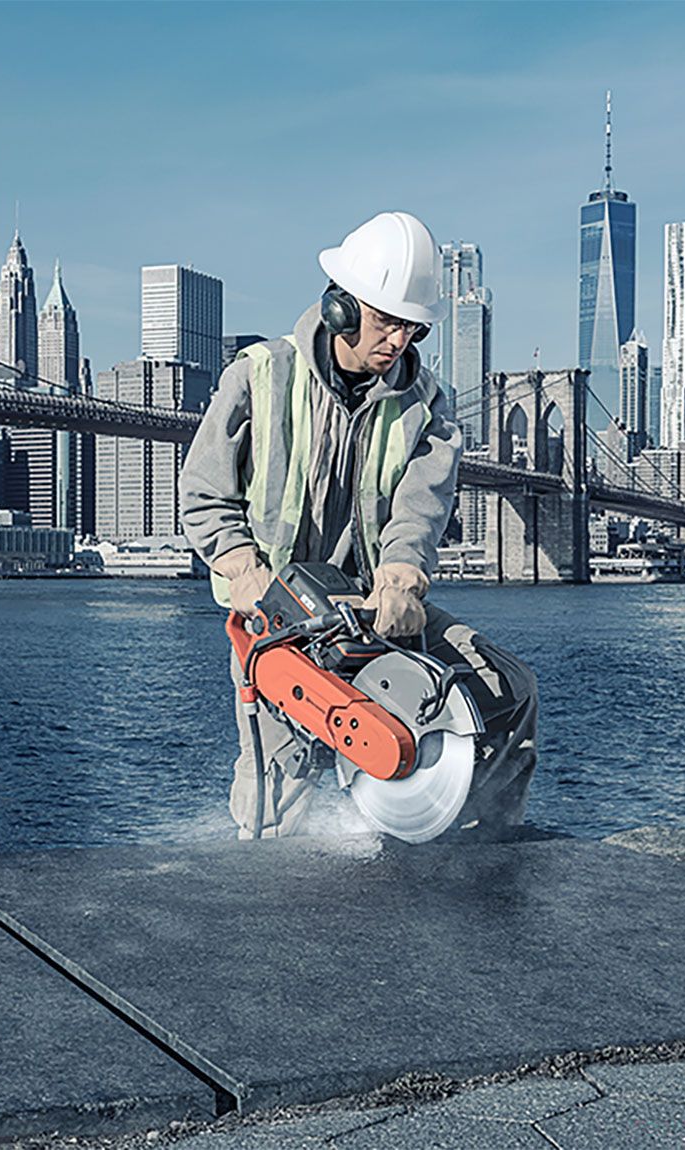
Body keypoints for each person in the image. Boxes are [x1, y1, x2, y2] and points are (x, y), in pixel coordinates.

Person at [179, 211, 538, 840]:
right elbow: (204, 495)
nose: (400, 341)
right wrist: (242, 570)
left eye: (413, 327)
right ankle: (255, 894)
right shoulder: (259, 376)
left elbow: (420, 510)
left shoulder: (427, 405)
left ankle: (487, 856)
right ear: (342, 307)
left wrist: (402, 578)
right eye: (387, 320)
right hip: (278, 620)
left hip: (377, 609)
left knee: (508, 690)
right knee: (279, 792)